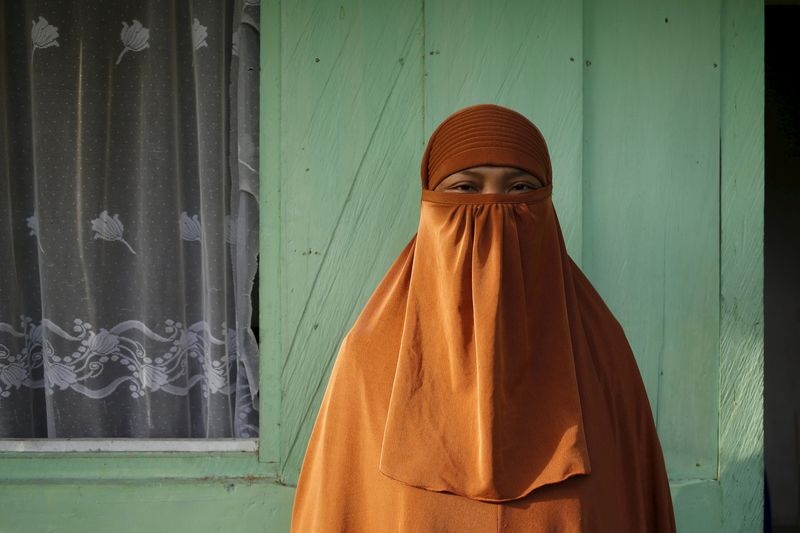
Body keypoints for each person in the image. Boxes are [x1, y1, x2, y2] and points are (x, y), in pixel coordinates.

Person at [290, 103, 677, 532]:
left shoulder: (603, 354)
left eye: (519, 188)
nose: (494, 207)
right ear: (429, 203)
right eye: (465, 189)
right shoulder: (369, 360)